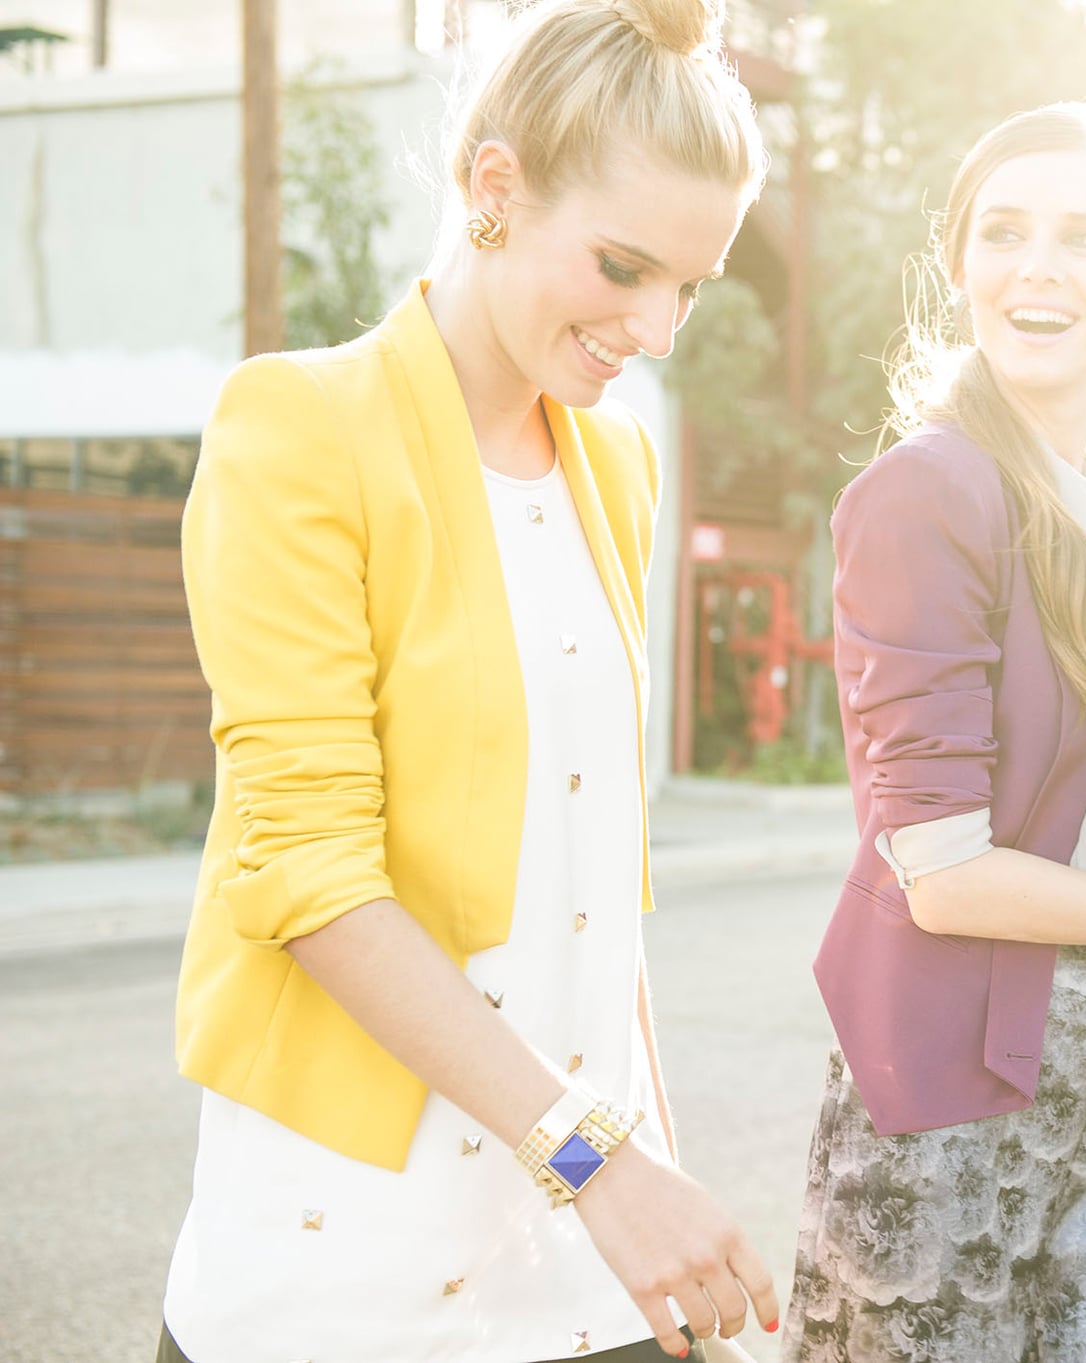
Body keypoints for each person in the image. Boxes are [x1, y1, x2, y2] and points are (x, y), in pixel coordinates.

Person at [157, 3, 777, 1359]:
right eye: (624, 266)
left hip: (592, 1259)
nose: (658, 328)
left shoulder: (617, 463)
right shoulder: (299, 430)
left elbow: (597, 880)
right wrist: (603, 1163)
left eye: (692, 284)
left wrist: (645, 1167)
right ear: (493, 189)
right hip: (345, 1267)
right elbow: (314, 878)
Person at [781, 102, 1086, 1363]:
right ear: (958, 266)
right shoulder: (924, 493)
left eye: (1081, 237)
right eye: (1001, 233)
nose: (1037, 269)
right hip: (943, 1104)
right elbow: (942, 876)